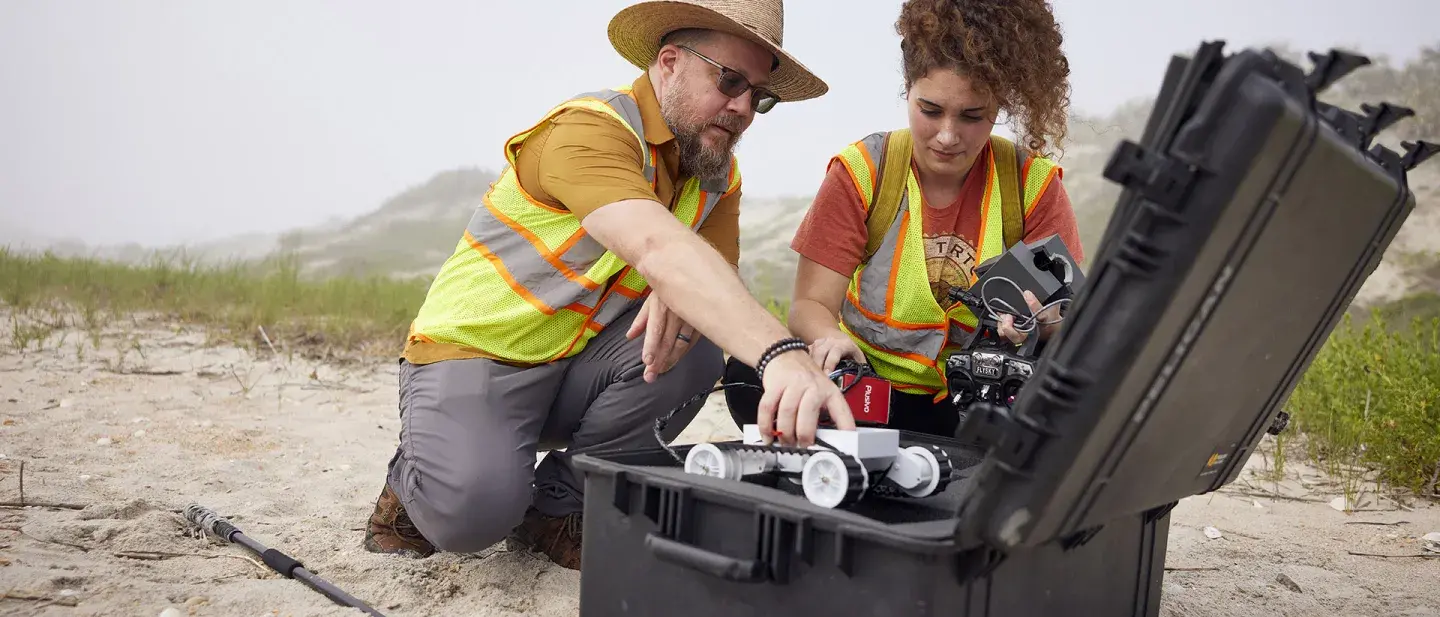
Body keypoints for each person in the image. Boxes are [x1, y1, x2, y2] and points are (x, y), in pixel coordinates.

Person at [362, 0, 855, 571]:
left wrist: (687, 294)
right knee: (473, 516)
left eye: (759, 95)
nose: (743, 107)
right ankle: (411, 480)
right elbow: (658, 247)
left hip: (577, 363)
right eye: (729, 80)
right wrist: (782, 354)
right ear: (669, 62)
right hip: (481, 354)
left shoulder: (716, 175)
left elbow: (712, 282)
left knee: (695, 347)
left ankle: (555, 507)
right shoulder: (588, 130)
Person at [726, 0, 1084, 439]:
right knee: (749, 373)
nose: (948, 136)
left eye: (973, 116)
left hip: (984, 403)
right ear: (907, 88)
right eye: (930, 110)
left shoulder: (1033, 184)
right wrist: (831, 339)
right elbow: (810, 306)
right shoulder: (863, 170)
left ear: (1001, 105)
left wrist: (1038, 328)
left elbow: (1070, 324)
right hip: (873, 393)